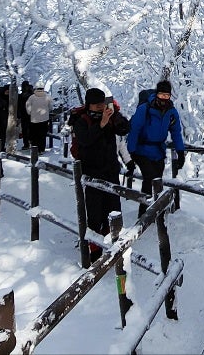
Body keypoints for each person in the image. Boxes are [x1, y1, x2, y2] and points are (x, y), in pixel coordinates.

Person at [69, 87, 130, 260]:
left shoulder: (110, 116)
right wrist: (101, 124)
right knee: (95, 214)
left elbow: (125, 129)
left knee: (113, 210)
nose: (99, 107)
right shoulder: (81, 120)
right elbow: (85, 140)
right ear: (89, 105)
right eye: (96, 105)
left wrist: (116, 114)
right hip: (92, 173)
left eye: (101, 104)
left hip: (110, 171)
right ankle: (94, 251)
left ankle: (114, 245)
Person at [126, 79, 187, 208]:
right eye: (161, 95)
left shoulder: (171, 112)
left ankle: (155, 214)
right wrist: (131, 151)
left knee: (158, 181)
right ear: (157, 94)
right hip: (141, 150)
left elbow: (176, 132)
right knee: (149, 179)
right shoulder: (145, 109)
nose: (164, 98)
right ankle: (144, 214)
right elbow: (134, 129)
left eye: (167, 95)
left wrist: (180, 152)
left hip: (158, 151)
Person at [24, 84, 52, 153]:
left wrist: (31, 113)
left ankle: (35, 149)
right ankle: (42, 149)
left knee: (34, 135)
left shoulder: (31, 97)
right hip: (44, 119)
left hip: (34, 119)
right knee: (42, 135)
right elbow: (51, 107)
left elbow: (28, 107)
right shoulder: (48, 97)